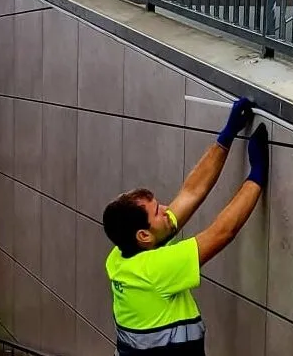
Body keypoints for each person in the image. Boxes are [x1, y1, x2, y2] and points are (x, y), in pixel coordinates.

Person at [103, 97, 268, 356]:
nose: (167, 209)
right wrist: (256, 176)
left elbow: (190, 193)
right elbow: (222, 232)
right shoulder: (155, 269)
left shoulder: (121, 257)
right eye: (158, 211)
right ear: (143, 235)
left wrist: (226, 136)